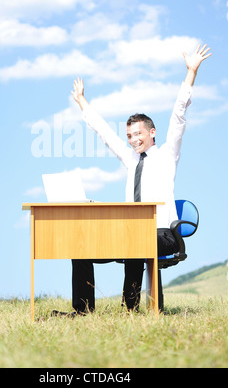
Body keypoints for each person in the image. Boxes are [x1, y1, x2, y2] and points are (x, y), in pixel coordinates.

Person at [51, 44, 212, 318]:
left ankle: (131, 310)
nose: (133, 139)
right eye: (129, 136)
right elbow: (104, 133)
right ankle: (82, 312)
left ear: (152, 132)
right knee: (81, 248)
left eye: (138, 134)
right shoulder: (130, 161)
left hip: (163, 234)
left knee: (138, 242)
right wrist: (82, 103)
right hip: (132, 232)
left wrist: (190, 73)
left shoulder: (166, 156)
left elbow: (178, 117)